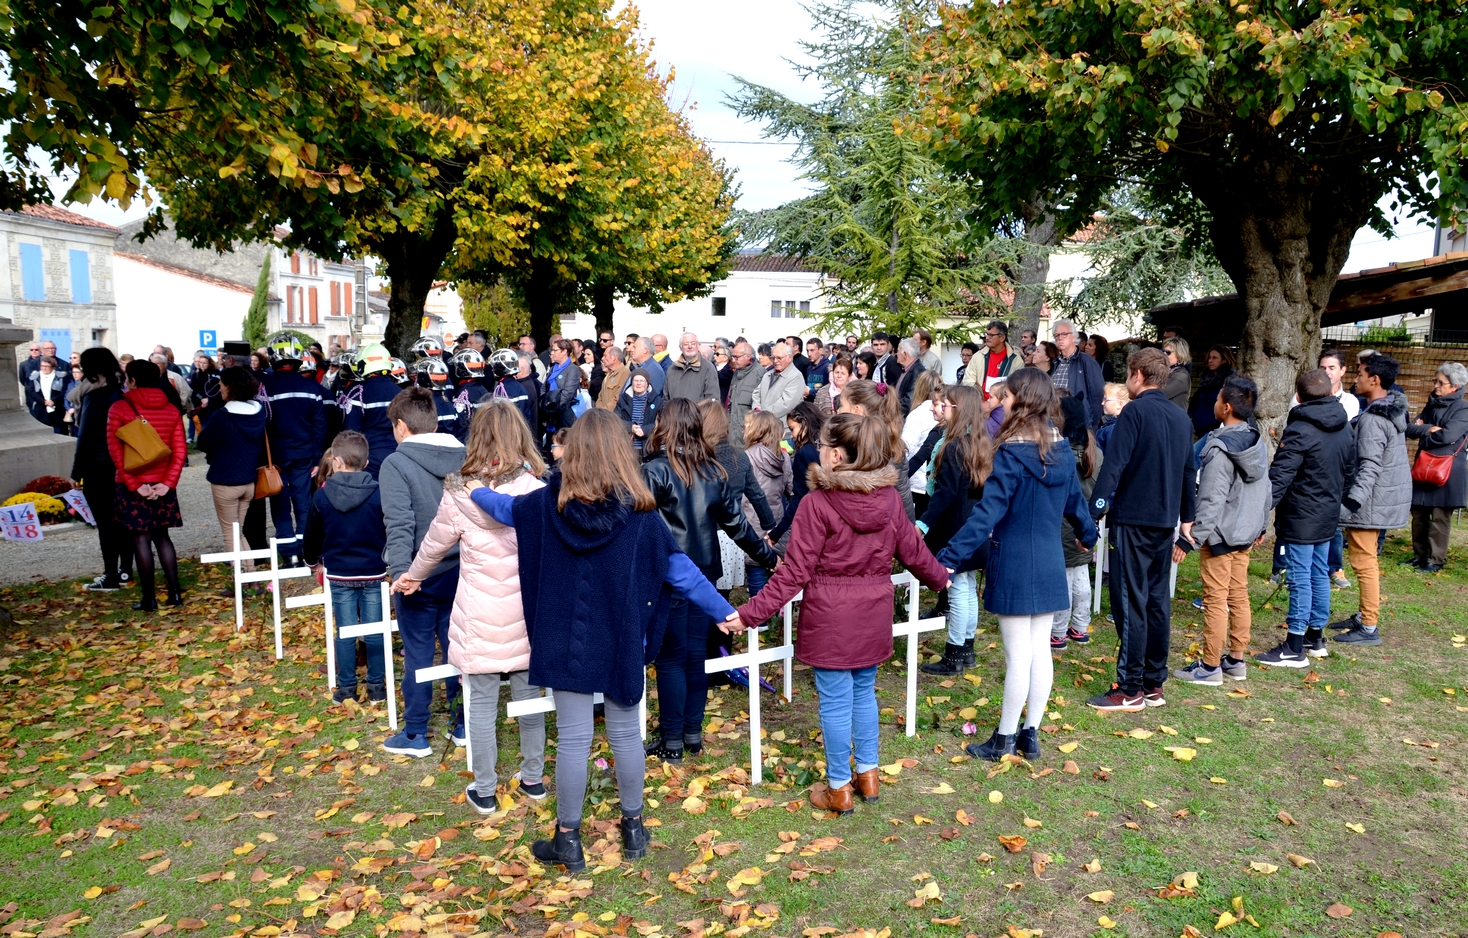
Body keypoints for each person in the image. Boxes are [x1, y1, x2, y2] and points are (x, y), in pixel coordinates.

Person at [465, 409, 740, 870]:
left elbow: (501, 509)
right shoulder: (641, 519)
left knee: (573, 739)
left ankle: (568, 841)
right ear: (622, 454)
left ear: (572, 453)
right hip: (621, 639)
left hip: (563, 642)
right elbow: (681, 572)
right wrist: (724, 611)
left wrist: (471, 487)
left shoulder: (539, 507)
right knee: (626, 735)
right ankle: (633, 830)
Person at [731, 413, 949, 812]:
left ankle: (839, 786)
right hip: (873, 611)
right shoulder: (888, 499)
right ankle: (867, 774)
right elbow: (914, 552)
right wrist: (941, 579)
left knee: (835, 701)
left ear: (834, 455)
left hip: (831, 615)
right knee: (863, 693)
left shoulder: (816, 504)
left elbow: (793, 572)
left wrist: (749, 613)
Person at [393, 400, 549, 805]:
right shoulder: (537, 492)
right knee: (529, 698)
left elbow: (433, 544)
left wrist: (413, 576)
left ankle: (485, 789)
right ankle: (533, 778)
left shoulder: (460, 494)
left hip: (479, 614)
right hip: (526, 614)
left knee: (480, 703)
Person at [936, 369, 1097, 760]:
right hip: (1049, 561)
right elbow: (1078, 506)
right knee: (1038, 650)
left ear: (1020, 402)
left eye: (1006, 397)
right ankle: (1030, 733)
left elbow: (986, 514)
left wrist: (947, 559)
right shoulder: (1060, 451)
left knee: (1020, 656)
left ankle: (1006, 737)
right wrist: (1088, 536)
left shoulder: (1010, 453)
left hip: (1014, 561)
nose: (1002, 402)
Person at [641, 400, 779, 762]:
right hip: (703, 576)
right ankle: (690, 733)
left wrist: (771, 559)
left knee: (673, 659)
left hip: (671, 577)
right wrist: (769, 557)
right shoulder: (710, 472)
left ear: (664, 425)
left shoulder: (655, 472)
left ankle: (675, 739)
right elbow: (741, 529)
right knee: (694, 656)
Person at [1087, 348, 1196, 711]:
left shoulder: (1134, 411)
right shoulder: (1181, 418)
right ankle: (1153, 682)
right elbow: (1187, 473)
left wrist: (1095, 510)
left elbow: (1113, 466)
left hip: (1133, 520)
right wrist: (1186, 517)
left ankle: (1131, 687)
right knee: (1155, 601)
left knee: (1130, 602)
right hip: (1164, 522)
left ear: (1137, 375)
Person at [379, 387, 467, 756]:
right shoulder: (460, 457)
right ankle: (462, 722)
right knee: (456, 646)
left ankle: (415, 732)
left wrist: (400, 572)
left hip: (418, 571)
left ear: (401, 426)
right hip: (460, 567)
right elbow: (464, 510)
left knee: (417, 651)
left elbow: (399, 523)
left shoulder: (395, 464)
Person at [1170, 375, 1270, 685]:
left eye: (1216, 400)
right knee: (1238, 595)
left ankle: (1211, 665)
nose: (1213, 404)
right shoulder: (1257, 439)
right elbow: (1266, 488)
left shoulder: (1218, 447)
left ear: (1225, 407)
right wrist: (1261, 524)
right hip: (1245, 533)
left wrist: (1190, 539)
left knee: (1216, 599)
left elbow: (1211, 500)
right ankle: (1236, 659)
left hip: (1221, 536)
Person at [1257, 369, 1355, 667]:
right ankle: (1316, 637)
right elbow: (1349, 471)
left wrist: (1259, 515)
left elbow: (1280, 476)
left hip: (1303, 515)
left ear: (1297, 397)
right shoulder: (1345, 425)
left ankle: (1295, 645)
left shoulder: (1300, 429)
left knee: (1301, 577)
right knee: (1318, 574)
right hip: (1327, 513)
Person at [300, 431, 389, 703]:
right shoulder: (379, 492)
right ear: (366, 462)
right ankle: (376, 687)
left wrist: (312, 560)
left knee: (345, 631)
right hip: (374, 570)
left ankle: (347, 688)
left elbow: (312, 536)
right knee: (375, 630)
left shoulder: (321, 497)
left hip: (339, 574)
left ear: (335, 461)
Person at [1331, 355, 1410, 647]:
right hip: (1382, 498)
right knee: (1366, 560)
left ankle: (1368, 626)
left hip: (1372, 501)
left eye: (1361, 373)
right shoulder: (1389, 411)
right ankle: (1366, 615)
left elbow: (1370, 466)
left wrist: (1352, 503)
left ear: (1374, 380)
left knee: (1364, 562)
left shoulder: (1374, 420)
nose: (1355, 378)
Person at [916, 384, 993, 676]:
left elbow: (945, 493)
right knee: (968, 588)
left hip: (956, 528)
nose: (942, 408)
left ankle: (955, 653)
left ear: (958, 409)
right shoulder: (980, 441)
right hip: (975, 525)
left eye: (946, 405)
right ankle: (967, 648)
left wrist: (924, 522)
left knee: (959, 589)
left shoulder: (954, 446)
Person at [106, 359, 189, 612]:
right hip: (163, 482)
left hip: (133, 484)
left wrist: (135, 484)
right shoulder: (172, 410)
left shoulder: (120, 408)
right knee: (162, 536)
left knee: (140, 539)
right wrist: (167, 483)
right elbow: (180, 450)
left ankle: (149, 598)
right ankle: (175, 594)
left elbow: (115, 452)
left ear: (131, 380)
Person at [261, 334, 329, 563]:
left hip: (277, 458)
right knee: (303, 505)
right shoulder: (311, 386)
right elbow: (320, 425)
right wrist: (317, 458)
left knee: (280, 507)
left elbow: (263, 423)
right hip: (304, 456)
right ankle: (305, 552)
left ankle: (288, 556)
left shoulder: (265, 386)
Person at [72, 348, 134, 592]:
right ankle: (125, 571)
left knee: (106, 524)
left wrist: (76, 472)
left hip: (99, 466)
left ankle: (110, 575)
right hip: (123, 465)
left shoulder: (94, 397)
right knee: (123, 521)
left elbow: (85, 438)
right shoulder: (121, 393)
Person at [197, 367, 268, 575]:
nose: (220, 389)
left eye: (221, 386)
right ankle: (251, 576)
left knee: (231, 533)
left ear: (230, 387)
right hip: (248, 482)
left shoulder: (224, 415)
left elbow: (203, 442)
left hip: (226, 482)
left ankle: (244, 581)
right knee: (239, 532)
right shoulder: (259, 410)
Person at [1049, 397, 1103, 650]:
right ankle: (1080, 627)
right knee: (1081, 575)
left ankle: (1058, 631)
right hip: (1087, 520)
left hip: (1062, 520)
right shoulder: (1096, 451)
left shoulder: (1059, 452)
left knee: (1062, 578)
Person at [1404, 361, 1468, 572]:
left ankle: (1436, 559)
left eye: (1441, 382)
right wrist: (1430, 430)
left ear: (1455, 386)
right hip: (1424, 466)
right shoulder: (1431, 404)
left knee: (1440, 516)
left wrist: (1425, 434)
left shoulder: (1463, 409)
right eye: (1435, 381)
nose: (1435, 386)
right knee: (1419, 513)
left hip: (1446, 470)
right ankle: (1419, 555)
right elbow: (1410, 428)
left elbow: (1448, 436)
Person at [837, 380, 917, 521]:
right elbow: (904, 500)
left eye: (841, 405)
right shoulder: (893, 445)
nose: (837, 411)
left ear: (856, 410)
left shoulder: (848, 451)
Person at [740, 411, 791, 601]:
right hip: (776, 522)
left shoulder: (746, 457)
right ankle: (776, 614)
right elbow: (790, 489)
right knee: (774, 570)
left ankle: (758, 621)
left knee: (754, 571)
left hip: (751, 520)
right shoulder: (784, 458)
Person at [767, 402, 827, 544]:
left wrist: (776, 533)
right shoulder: (825, 448)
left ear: (804, 424)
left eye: (793, 429)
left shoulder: (805, 453)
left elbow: (799, 497)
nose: (792, 436)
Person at [341, 344, 401, 477]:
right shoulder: (402, 393)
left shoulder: (358, 394)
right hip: (398, 456)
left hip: (368, 459)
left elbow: (351, 433)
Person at [901, 370, 946, 508]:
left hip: (917, 482)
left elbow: (906, 448)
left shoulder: (917, 415)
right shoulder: (943, 418)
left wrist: (899, 478)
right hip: (934, 482)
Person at [1049, 320, 1105, 426]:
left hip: (1078, 424)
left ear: (1074, 338)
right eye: (1056, 335)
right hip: (1056, 422)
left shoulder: (1087, 361)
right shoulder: (1055, 363)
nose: (1060, 337)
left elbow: (1097, 395)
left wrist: (1092, 428)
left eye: (1064, 334)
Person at [1189, 345, 1237, 438]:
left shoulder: (1229, 381)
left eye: (1215, 358)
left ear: (1224, 360)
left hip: (1217, 431)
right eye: (1209, 357)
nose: (1210, 360)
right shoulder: (1206, 379)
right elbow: (1196, 402)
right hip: (1200, 428)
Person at [753, 342, 805, 421]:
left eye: (779, 358)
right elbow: (756, 393)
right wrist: (757, 409)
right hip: (764, 424)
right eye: (773, 358)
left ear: (790, 358)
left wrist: (763, 415)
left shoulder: (795, 377)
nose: (775, 361)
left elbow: (786, 404)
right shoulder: (768, 374)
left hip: (783, 427)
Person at [542, 339, 581, 441]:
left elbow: (568, 393)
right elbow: (544, 387)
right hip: (550, 415)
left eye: (555, 350)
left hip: (563, 414)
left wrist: (553, 408)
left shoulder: (573, 369)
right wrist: (544, 405)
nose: (552, 353)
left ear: (564, 351)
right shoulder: (552, 368)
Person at [664, 332, 720, 402]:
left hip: (697, 412)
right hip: (675, 412)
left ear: (698, 346)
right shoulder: (672, 369)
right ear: (680, 347)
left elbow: (713, 399)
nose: (690, 346)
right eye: (686, 344)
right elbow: (666, 398)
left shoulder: (708, 368)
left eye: (693, 343)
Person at [726, 341, 763, 446]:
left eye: (736, 357)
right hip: (733, 436)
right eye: (732, 357)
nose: (733, 360)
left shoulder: (760, 374)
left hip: (749, 436)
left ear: (748, 357)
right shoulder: (736, 374)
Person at [614, 369, 661, 451]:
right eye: (636, 380)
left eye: (642, 381)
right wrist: (630, 427)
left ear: (647, 383)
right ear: (632, 382)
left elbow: (662, 423)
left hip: (649, 447)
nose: (638, 383)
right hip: (627, 447)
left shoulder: (658, 401)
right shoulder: (623, 399)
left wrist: (645, 430)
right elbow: (615, 420)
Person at [26, 355, 71, 433]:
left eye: (47, 366)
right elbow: (31, 391)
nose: (44, 368)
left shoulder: (61, 377)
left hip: (57, 410)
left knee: (59, 431)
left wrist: (53, 401)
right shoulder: (34, 378)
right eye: (42, 366)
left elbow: (64, 391)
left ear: (53, 367)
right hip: (41, 409)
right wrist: (44, 402)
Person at [894, 338, 927, 417]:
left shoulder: (918, 372)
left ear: (905, 354)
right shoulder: (906, 369)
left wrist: (892, 412)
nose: (896, 354)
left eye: (898, 351)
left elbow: (909, 401)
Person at [1096, 382, 1129, 451]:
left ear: (1120, 404)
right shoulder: (1119, 425)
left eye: (1106, 400)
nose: (1102, 403)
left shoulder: (1113, 429)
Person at [1162, 337, 1192, 411]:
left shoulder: (1182, 376)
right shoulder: (1166, 371)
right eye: (1163, 351)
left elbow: (1159, 393)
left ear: (1179, 355)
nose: (1164, 354)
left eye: (1168, 352)